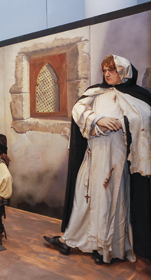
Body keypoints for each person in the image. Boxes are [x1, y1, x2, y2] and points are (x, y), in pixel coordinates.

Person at [44, 55, 151, 264]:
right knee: (83, 199)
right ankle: (70, 239)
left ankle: (106, 249)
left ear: (124, 72)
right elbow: (79, 109)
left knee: (109, 201)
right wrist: (97, 119)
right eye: (105, 71)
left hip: (116, 160)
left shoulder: (138, 97)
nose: (107, 74)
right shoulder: (96, 92)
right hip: (93, 155)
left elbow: (144, 120)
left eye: (112, 70)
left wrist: (122, 122)